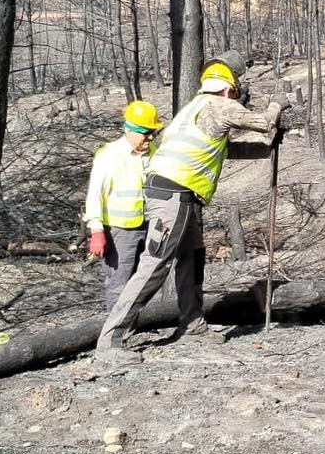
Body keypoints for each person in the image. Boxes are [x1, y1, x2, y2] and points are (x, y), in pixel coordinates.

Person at [94, 58, 288, 367]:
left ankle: (192, 323)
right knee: (154, 265)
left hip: (176, 195)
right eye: (234, 94)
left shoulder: (192, 112)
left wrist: (269, 145)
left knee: (192, 257)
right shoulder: (217, 105)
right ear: (227, 89)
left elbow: (233, 149)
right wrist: (277, 105)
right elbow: (264, 121)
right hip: (174, 196)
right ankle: (111, 340)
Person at [84, 100, 165, 311]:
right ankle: (115, 332)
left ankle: (143, 325)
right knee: (119, 284)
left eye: (153, 133)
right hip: (120, 231)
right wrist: (96, 230)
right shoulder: (109, 156)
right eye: (145, 132)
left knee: (145, 281)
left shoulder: (156, 152)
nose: (149, 137)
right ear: (129, 130)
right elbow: (95, 195)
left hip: (150, 227)